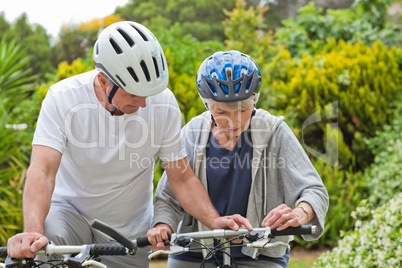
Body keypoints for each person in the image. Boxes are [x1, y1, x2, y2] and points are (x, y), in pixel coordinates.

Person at [6, 23, 251, 268]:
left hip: (128, 227)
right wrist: (33, 233)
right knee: (50, 241)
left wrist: (214, 220)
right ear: (103, 82)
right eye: (133, 94)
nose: (143, 103)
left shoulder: (163, 103)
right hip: (69, 213)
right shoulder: (63, 98)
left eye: (148, 93)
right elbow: (43, 171)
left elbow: (182, 177)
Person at [147, 50, 329, 268]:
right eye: (222, 112)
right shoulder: (192, 133)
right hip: (195, 251)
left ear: (255, 99)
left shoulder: (274, 132)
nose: (233, 121)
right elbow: (169, 196)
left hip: (260, 252)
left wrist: (300, 213)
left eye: (243, 109)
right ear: (207, 104)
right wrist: (162, 225)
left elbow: (314, 190)